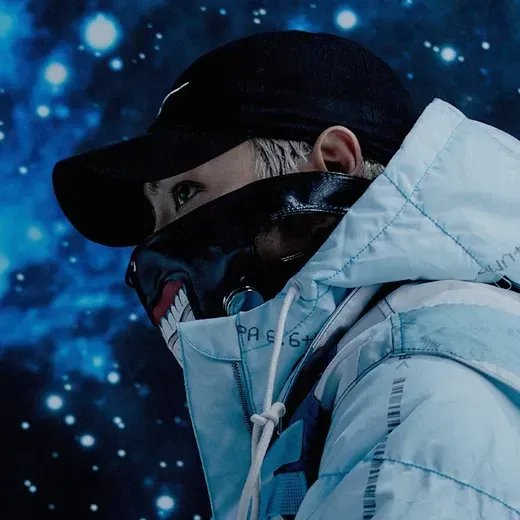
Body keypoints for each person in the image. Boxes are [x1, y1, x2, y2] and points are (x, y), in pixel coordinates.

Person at [52, 30, 520, 520]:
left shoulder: (419, 375)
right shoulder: (343, 375)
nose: (159, 243)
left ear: (334, 163)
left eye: (186, 192)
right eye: (157, 217)